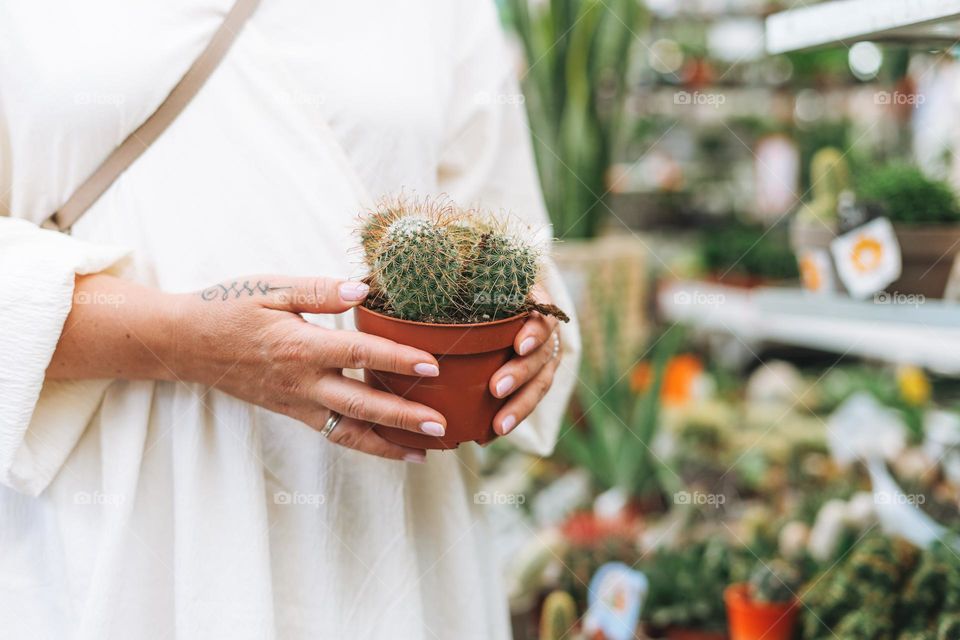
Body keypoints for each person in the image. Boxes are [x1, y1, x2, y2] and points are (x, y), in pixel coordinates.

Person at [0, 1, 580, 639]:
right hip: (119, 510)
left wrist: (526, 342)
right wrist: (177, 338)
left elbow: (508, 232)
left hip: (390, 503)